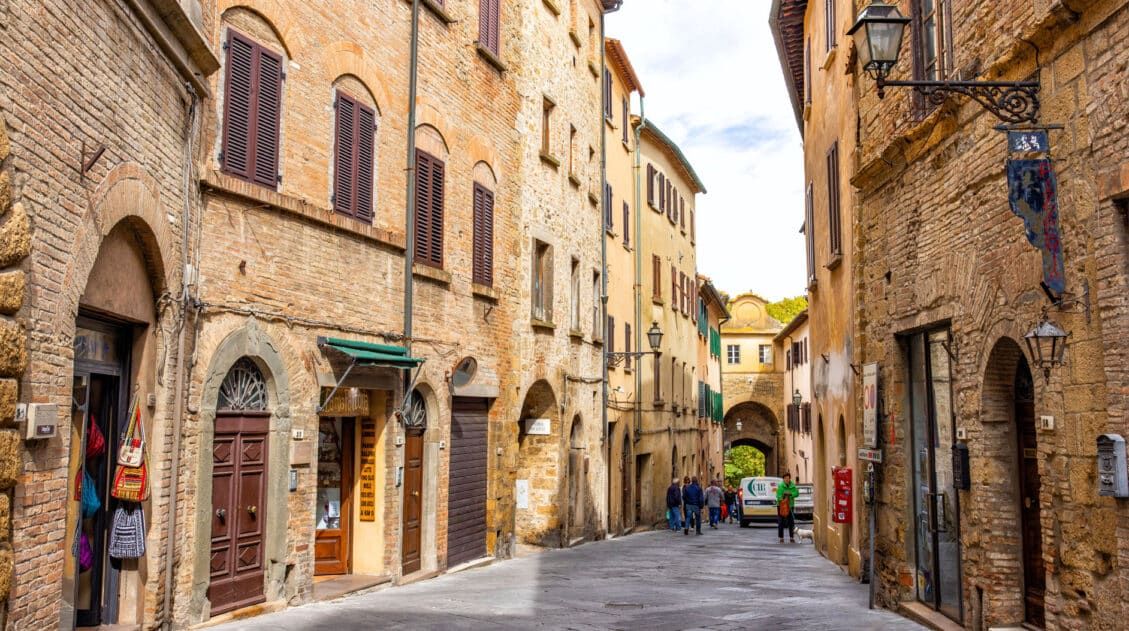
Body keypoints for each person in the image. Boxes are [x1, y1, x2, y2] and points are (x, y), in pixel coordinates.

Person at [776, 472, 800, 543]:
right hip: (781, 506)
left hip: (790, 505)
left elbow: (797, 493)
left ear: (790, 478)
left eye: (788, 478)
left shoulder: (793, 486)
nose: (786, 479)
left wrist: (790, 494)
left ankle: (791, 537)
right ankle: (781, 537)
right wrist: (783, 498)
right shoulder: (780, 486)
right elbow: (778, 496)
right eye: (785, 478)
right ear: (783, 479)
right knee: (781, 522)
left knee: (791, 522)